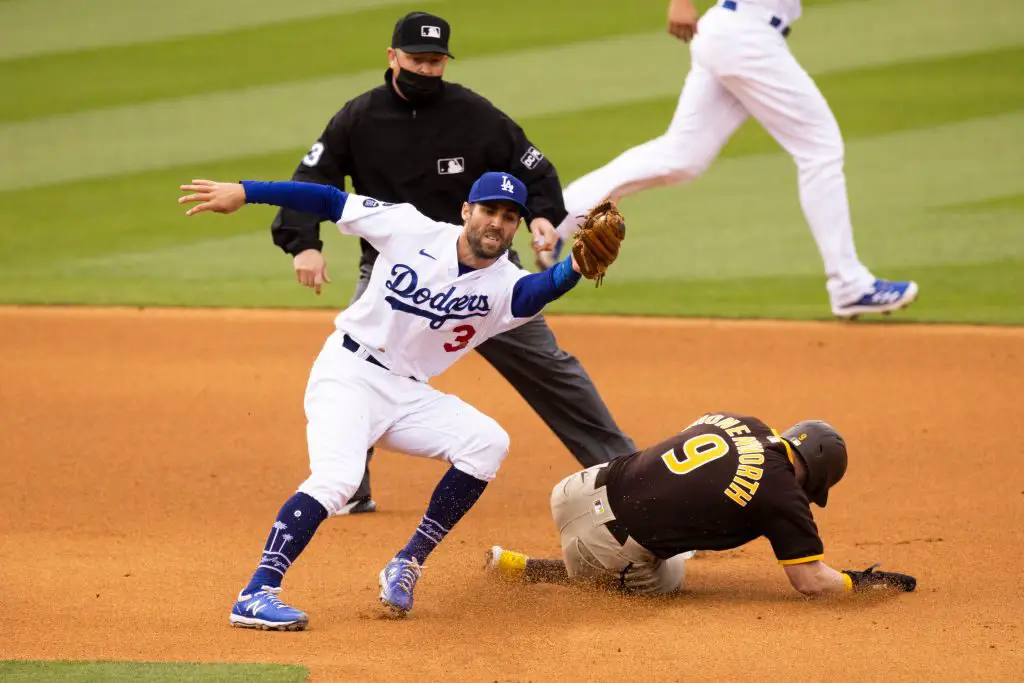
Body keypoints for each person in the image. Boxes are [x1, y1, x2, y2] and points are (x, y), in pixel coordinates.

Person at [179, 171, 603, 626]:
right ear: (466, 211)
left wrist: (575, 269)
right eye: (488, 211)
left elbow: (542, 287)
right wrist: (247, 193)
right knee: (338, 479)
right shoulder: (408, 228)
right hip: (349, 373)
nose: (496, 223)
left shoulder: (507, 286)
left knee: (486, 442)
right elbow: (328, 199)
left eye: (509, 216)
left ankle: (407, 562)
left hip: (407, 393)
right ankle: (257, 590)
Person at [271, 11, 635, 515]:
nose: (426, 69)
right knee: (362, 361)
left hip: (487, 275)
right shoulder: (358, 119)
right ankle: (348, 482)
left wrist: (544, 218)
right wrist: (302, 242)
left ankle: (629, 478)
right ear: (392, 57)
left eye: (435, 60)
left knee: (552, 370)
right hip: (392, 276)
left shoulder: (473, 115)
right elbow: (315, 182)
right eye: (417, 59)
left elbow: (533, 166)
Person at [544, 0, 918, 319]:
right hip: (746, 36)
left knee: (682, 156)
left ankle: (559, 215)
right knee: (820, 148)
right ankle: (848, 282)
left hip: (734, 34)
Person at [485, 411, 917, 596]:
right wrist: (854, 583)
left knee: (674, 507)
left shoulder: (743, 420)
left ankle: (520, 562)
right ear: (818, 478)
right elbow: (809, 582)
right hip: (600, 545)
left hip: (574, 489)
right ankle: (534, 569)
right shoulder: (783, 495)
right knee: (671, 578)